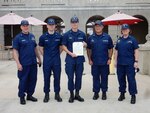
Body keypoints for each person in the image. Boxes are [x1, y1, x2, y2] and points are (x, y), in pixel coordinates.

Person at [13, 20, 41, 105]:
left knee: (33, 80)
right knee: (23, 80)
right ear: (21, 27)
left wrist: (39, 58)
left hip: (33, 63)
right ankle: (22, 96)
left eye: (27, 25)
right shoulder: (18, 38)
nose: (25, 27)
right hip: (24, 64)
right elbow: (15, 51)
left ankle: (29, 95)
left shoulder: (32, 36)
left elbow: (35, 48)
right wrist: (18, 63)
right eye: (24, 25)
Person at [62, 16, 87, 103]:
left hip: (80, 60)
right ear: (71, 24)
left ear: (78, 23)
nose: (74, 24)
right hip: (70, 59)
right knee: (70, 77)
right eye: (73, 22)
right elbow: (63, 46)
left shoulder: (82, 34)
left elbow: (86, 44)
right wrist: (70, 53)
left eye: (76, 22)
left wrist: (85, 45)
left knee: (79, 77)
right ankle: (71, 95)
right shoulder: (66, 35)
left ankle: (77, 94)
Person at [87, 20, 113, 100]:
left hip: (105, 62)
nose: (98, 27)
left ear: (102, 27)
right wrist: (89, 59)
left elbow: (111, 48)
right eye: (96, 26)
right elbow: (88, 49)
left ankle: (104, 93)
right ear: (95, 27)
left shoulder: (107, 37)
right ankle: (96, 93)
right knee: (95, 78)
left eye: (99, 26)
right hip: (94, 62)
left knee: (104, 78)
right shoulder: (91, 38)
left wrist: (109, 58)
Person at [39, 18, 63, 103]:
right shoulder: (43, 37)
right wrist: (45, 56)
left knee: (57, 77)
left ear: (55, 26)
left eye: (53, 24)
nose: (51, 26)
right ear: (47, 26)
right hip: (47, 61)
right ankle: (46, 94)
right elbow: (41, 48)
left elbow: (61, 48)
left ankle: (57, 94)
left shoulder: (59, 36)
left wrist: (56, 55)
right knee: (46, 78)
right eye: (50, 24)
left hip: (56, 60)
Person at [114, 24, 139, 104]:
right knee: (121, 79)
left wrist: (136, 61)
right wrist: (115, 61)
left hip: (130, 64)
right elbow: (116, 51)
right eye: (123, 29)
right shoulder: (119, 40)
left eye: (126, 29)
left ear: (129, 30)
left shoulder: (132, 40)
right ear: (121, 30)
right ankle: (122, 94)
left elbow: (136, 50)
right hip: (120, 64)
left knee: (131, 80)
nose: (125, 30)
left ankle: (133, 95)